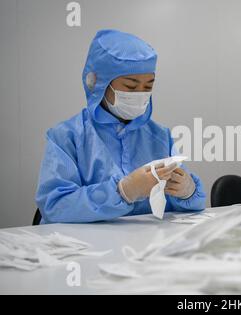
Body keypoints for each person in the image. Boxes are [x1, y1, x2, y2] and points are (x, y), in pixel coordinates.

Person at [35, 30, 206, 224]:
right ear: (99, 84)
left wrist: (186, 192)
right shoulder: (67, 137)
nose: (141, 94)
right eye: (131, 87)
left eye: (148, 86)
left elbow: (181, 208)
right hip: (87, 248)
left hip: (144, 246)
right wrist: (123, 191)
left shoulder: (160, 136)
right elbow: (54, 206)